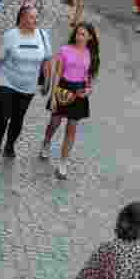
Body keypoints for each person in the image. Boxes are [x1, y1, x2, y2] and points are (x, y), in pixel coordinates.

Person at [0, 3, 51, 161]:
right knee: (3, 116)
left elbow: (46, 60)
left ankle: (10, 145)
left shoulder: (43, 36)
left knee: (18, 118)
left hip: (28, 86)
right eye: (32, 17)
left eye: (36, 17)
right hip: (6, 81)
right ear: (22, 19)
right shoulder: (11, 36)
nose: (35, 21)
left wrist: (47, 81)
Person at [40, 23, 100, 180]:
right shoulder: (65, 50)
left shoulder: (92, 56)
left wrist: (88, 90)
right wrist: (53, 96)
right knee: (54, 123)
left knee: (72, 128)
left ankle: (63, 162)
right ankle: (46, 141)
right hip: (62, 88)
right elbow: (57, 74)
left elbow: (90, 79)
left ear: (90, 37)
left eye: (82, 34)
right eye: (77, 33)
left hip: (78, 92)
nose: (79, 37)